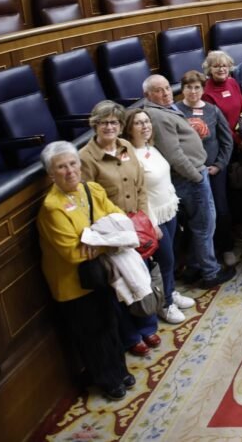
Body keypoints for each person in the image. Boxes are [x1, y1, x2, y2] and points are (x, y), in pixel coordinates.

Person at [37, 141, 133, 400]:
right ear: (51, 174)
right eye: (61, 167)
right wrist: (107, 242)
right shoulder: (51, 207)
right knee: (92, 334)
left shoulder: (91, 189)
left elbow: (117, 218)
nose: (69, 171)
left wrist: (97, 242)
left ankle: (120, 370)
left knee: (110, 323)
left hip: (99, 273)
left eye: (72, 163)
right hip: (73, 284)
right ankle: (107, 380)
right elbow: (72, 252)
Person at [78, 101, 160, 357]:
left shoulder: (125, 147)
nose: (110, 127)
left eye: (114, 122)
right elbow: (87, 200)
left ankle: (148, 327)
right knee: (121, 286)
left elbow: (140, 188)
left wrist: (148, 221)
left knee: (143, 278)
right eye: (104, 123)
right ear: (95, 125)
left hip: (137, 228)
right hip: (111, 234)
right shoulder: (85, 158)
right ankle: (130, 336)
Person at [143, 74, 234, 289]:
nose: (165, 93)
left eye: (166, 88)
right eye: (158, 90)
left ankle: (194, 266)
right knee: (204, 225)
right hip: (190, 177)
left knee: (199, 224)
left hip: (194, 174)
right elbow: (174, 154)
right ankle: (210, 272)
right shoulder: (157, 116)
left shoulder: (164, 110)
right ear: (147, 95)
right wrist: (196, 175)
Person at [123, 109, 195, 325]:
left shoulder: (150, 147)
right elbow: (138, 193)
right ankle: (164, 305)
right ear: (129, 128)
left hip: (169, 209)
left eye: (147, 122)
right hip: (154, 217)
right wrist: (152, 223)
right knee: (165, 260)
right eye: (138, 123)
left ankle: (170, 292)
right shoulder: (130, 156)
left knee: (172, 255)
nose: (145, 126)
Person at [178, 71, 235, 265]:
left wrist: (219, 165)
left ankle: (226, 247)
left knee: (221, 209)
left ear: (203, 89)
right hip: (187, 173)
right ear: (182, 89)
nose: (193, 91)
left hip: (213, 171)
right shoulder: (175, 111)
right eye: (188, 87)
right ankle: (197, 256)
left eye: (197, 87)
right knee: (194, 215)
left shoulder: (213, 110)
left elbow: (227, 142)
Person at [201, 50, 242, 135]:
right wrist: (238, 140)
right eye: (216, 66)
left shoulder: (232, 82)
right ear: (209, 69)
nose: (221, 69)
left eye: (224, 66)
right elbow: (217, 125)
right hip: (226, 139)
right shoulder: (206, 93)